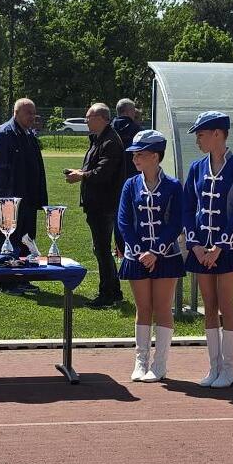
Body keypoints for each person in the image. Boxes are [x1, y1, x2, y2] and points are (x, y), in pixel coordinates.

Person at [183, 111, 233, 388]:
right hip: (201, 248)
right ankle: (214, 367)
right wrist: (196, 245)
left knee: (226, 304)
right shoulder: (196, 168)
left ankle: (229, 369)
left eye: (201, 135)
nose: (197, 140)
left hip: (228, 248)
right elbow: (188, 208)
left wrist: (220, 246)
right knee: (209, 306)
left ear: (218, 134)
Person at [117, 130, 185, 382]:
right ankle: (141, 361)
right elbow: (124, 221)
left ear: (155, 156)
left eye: (140, 154)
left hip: (166, 256)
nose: (135, 159)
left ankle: (160, 364)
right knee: (143, 308)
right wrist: (139, 250)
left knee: (162, 307)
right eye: (134, 154)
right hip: (137, 256)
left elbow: (176, 222)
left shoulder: (173, 186)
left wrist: (156, 250)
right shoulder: (130, 185)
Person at [0, 98, 48, 296]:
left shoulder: (29, 134)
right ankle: (6, 283)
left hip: (28, 199)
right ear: (16, 112)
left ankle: (23, 277)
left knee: (27, 239)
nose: (32, 117)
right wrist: (5, 202)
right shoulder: (4, 133)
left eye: (34, 113)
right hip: (10, 201)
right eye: (28, 113)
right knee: (8, 240)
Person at [65, 102, 124, 307]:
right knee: (101, 248)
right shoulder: (99, 139)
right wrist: (80, 172)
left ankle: (107, 294)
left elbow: (103, 173)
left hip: (103, 204)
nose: (86, 120)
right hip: (97, 203)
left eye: (89, 117)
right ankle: (113, 291)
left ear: (101, 118)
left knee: (102, 249)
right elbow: (95, 168)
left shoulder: (110, 141)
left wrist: (81, 175)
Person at [111, 98, 142, 257]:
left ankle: (119, 248)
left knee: (116, 215)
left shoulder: (109, 130)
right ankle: (131, 249)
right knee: (132, 215)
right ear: (130, 111)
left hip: (111, 181)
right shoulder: (137, 131)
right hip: (133, 179)